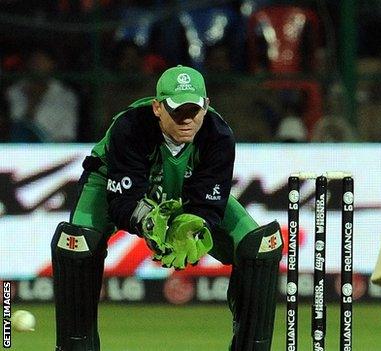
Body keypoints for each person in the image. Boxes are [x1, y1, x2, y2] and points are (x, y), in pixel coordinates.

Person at [51, 65, 283, 351]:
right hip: (110, 178)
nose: (187, 120)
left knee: (258, 246)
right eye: (177, 111)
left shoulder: (219, 135)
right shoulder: (130, 126)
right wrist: (150, 223)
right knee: (78, 246)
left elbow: (210, 203)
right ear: (157, 107)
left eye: (194, 110)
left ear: (206, 106)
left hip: (188, 184)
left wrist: (193, 227)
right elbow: (123, 202)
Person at [5, 48, 79, 142]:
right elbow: (15, 128)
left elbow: (67, 134)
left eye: (42, 61)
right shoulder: (14, 92)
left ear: (52, 64)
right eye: (34, 61)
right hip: (19, 150)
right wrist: (32, 102)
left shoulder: (66, 96)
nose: (37, 65)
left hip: (53, 151)